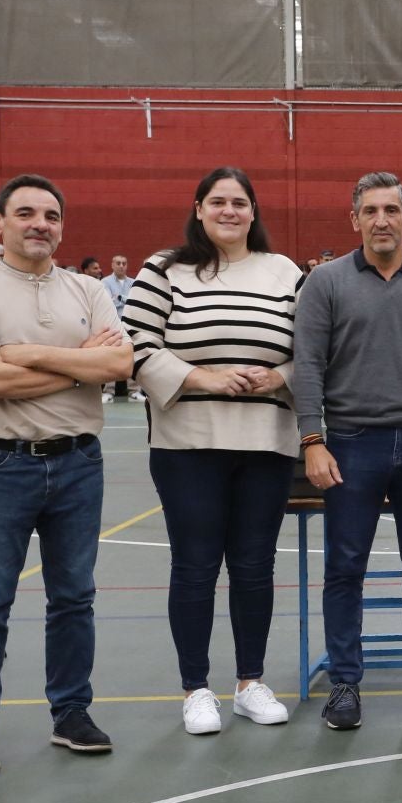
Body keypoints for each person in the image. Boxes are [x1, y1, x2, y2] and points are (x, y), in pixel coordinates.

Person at [0, 174, 131, 778]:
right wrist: (81, 366)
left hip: (78, 462)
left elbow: (120, 362)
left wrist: (25, 352)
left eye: (50, 215)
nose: (39, 224)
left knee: (74, 597)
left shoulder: (86, 289)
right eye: (24, 212)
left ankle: (71, 713)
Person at [123, 167, 302, 735]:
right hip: (187, 446)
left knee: (254, 567)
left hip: (266, 446)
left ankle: (250, 683)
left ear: (254, 211)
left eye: (240, 202)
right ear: (198, 208)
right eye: (218, 201)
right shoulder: (163, 269)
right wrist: (204, 379)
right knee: (196, 566)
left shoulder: (285, 272)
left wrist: (280, 378)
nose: (230, 211)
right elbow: (135, 345)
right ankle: (196, 689)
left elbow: (315, 353)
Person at [293, 172, 402, 731]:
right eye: (370, 210)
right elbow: (308, 366)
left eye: (392, 209)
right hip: (349, 446)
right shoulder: (325, 283)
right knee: (345, 570)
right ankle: (345, 685)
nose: (381, 220)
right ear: (355, 220)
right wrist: (312, 440)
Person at [101, 254, 140, 403]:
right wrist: (125, 299)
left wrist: (118, 298)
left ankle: (134, 391)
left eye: (124, 263)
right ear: (112, 265)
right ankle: (109, 392)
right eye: (118, 263)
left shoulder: (134, 282)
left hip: (130, 325)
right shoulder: (105, 282)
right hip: (113, 325)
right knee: (111, 357)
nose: (121, 266)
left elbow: (135, 302)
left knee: (132, 357)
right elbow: (108, 302)